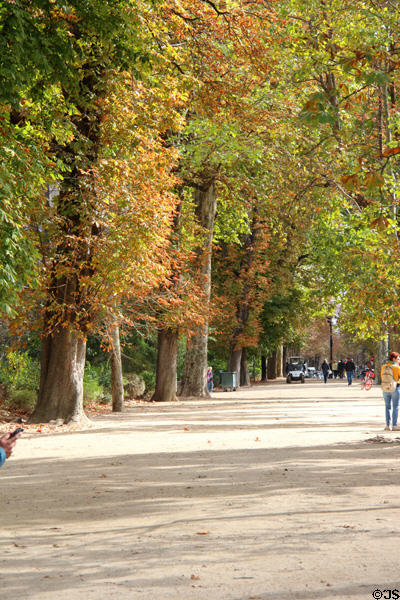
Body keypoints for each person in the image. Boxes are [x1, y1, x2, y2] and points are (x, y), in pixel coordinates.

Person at [381, 352, 400, 431]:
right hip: (395, 388)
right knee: (395, 407)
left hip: (385, 388)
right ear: (394, 359)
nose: (399, 360)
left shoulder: (384, 366)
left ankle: (387, 425)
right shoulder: (397, 367)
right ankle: (394, 425)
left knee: (387, 407)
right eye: (398, 358)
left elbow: (382, 376)